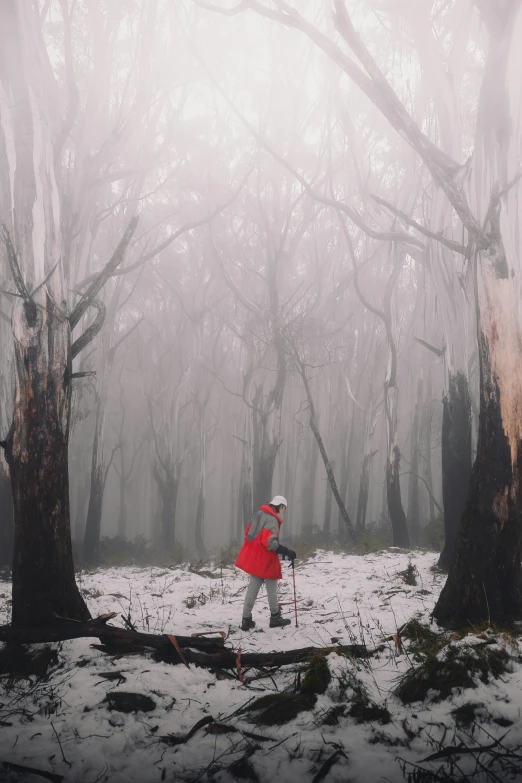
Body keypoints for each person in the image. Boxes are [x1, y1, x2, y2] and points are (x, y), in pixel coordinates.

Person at [235, 495, 297, 631]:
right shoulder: (272, 519)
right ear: (280, 506)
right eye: (284, 509)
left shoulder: (258, 514)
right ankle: (275, 618)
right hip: (266, 559)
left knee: (252, 589)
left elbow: (249, 534)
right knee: (272, 589)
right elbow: (270, 543)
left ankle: (246, 620)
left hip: (255, 558)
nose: (283, 512)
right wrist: (287, 551)